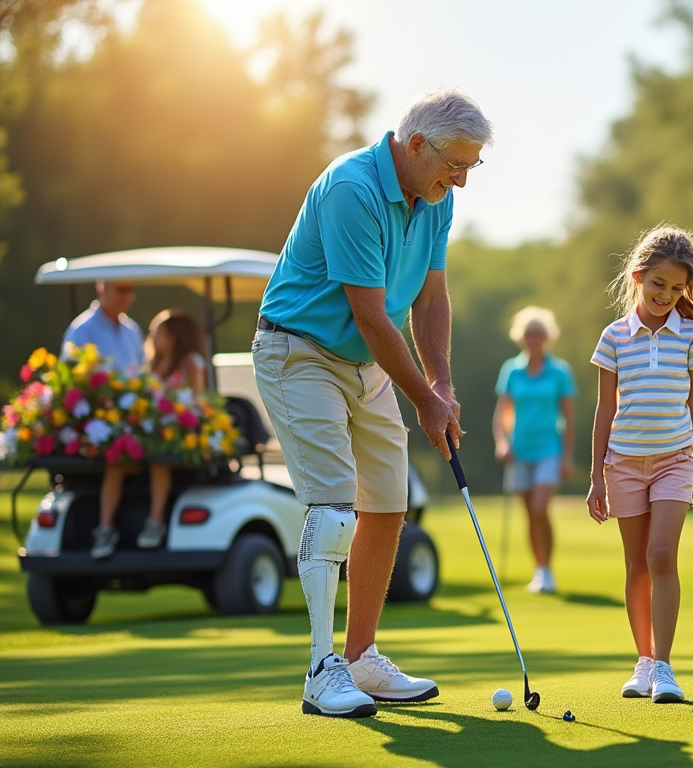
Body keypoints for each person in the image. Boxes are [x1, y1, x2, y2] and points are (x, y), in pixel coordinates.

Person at [252, 88, 492, 718]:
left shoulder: (433, 198)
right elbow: (370, 315)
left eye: (472, 167)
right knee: (334, 508)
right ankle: (320, 670)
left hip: (365, 363)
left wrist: (441, 387)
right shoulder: (352, 189)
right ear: (416, 145)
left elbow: (431, 298)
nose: (462, 181)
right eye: (456, 165)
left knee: (388, 503)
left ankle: (360, 658)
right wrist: (426, 403)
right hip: (300, 351)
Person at [585, 225, 693, 704]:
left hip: (674, 460)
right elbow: (604, 409)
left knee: (662, 556)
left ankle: (665, 666)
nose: (666, 296)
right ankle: (644, 660)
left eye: (676, 289)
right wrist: (595, 478)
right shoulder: (613, 338)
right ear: (638, 277)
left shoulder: (690, 337)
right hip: (624, 464)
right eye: (658, 285)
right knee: (636, 566)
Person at [89, 310, 208, 560]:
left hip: (175, 435)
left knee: (158, 458)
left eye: (158, 332)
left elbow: (198, 403)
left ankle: (155, 523)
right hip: (149, 432)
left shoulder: (191, 363)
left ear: (173, 336)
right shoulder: (151, 366)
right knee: (116, 461)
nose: (151, 336)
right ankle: (105, 529)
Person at [492, 306, 576, 594]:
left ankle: (547, 568)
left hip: (549, 448)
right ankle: (540, 569)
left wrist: (567, 455)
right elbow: (503, 411)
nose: (533, 338)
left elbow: (569, 416)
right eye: (529, 333)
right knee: (531, 513)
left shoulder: (559, 371)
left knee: (541, 507)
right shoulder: (511, 370)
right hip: (519, 450)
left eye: (538, 333)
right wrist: (502, 443)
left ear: (547, 337)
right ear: (521, 337)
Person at [61, 281, 145, 373]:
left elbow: (142, 371)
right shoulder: (82, 330)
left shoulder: (133, 330)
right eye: (121, 290)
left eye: (129, 290)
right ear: (101, 288)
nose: (126, 296)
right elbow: (70, 375)